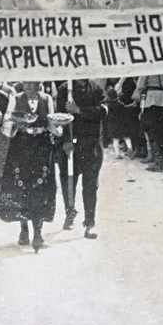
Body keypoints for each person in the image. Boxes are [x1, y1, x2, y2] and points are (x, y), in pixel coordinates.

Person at [0, 81, 61, 251]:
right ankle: (24, 228)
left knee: (40, 187)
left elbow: (52, 123)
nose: (30, 87)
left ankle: (38, 233)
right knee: (22, 186)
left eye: (33, 83)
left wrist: (57, 128)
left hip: (41, 146)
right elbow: (6, 126)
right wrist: (16, 123)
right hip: (21, 145)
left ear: (39, 83)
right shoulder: (15, 98)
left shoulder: (46, 99)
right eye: (27, 84)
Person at [56, 78, 109, 239]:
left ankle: (89, 222)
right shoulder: (64, 89)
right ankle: (70, 212)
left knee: (90, 186)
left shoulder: (96, 88)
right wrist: (66, 141)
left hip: (91, 145)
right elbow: (59, 117)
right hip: (71, 144)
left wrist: (79, 110)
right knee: (68, 181)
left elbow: (103, 111)